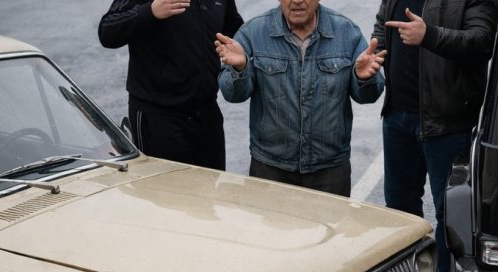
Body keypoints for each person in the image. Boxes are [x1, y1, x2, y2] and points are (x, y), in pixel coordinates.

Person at [372, 0, 498, 272]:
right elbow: (383, 27)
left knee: (448, 211)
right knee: (399, 208)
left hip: (447, 120)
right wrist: (373, 54)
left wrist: (430, 35)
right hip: (397, 115)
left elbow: (482, 42)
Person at [215, 0, 386, 197]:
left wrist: (363, 78)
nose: (297, 1)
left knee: (329, 220)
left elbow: (368, 96)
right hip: (270, 169)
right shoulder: (253, 32)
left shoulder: (347, 33)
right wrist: (239, 68)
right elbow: (233, 95)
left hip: (329, 171)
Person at [98, 0, 243, 170]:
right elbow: (107, 31)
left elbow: (235, 31)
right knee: (162, 187)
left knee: (212, 186)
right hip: (158, 119)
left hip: (207, 116)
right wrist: (150, 11)